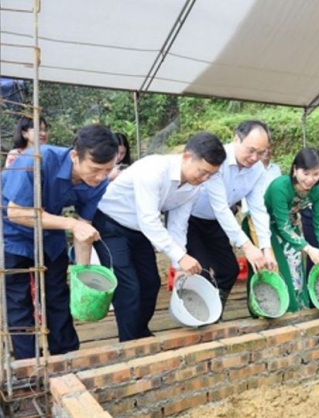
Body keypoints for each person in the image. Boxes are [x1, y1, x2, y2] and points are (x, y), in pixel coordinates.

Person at [93, 131, 225, 342]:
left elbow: (177, 225)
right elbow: (149, 220)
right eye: (202, 172)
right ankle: (130, 343)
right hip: (111, 223)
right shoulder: (153, 169)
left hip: (140, 230)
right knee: (128, 286)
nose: (204, 179)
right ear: (187, 157)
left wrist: (178, 265)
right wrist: (181, 257)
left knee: (151, 282)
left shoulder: (194, 187)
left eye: (211, 175)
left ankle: (140, 331)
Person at [2, 125, 118, 359]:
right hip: (11, 232)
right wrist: (72, 224)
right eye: (96, 170)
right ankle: (27, 362)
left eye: (107, 170)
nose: (101, 177)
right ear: (76, 156)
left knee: (58, 294)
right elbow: (17, 213)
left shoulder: (99, 182)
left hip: (49, 232)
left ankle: (66, 356)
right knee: (19, 301)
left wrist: (83, 276)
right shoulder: (38, 159)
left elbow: (83, 228)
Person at [187, 120, 277, 308]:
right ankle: (198, 316)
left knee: (229, 270)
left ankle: (214, 310)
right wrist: (247, 246)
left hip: (216, 221)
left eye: (261, 153)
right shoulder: (217, 159)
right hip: (189, 218)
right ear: (236, 139)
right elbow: (220, 207)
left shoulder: (258, 170)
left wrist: (266, 248)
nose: (254, 158)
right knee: (200, 272)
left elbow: (258, 208)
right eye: (250, 150)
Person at [262, 148, 319, 312]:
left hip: (290, 225)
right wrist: (308, 248)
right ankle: (273, 310)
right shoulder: (280, 187)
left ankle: (297, 307)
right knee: (276, 266)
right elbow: (282, 225)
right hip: (265, 226)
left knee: (296, 266)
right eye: (306, 173)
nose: (310, 179)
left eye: (316, 174)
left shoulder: (317, 191)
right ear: (295, 169)